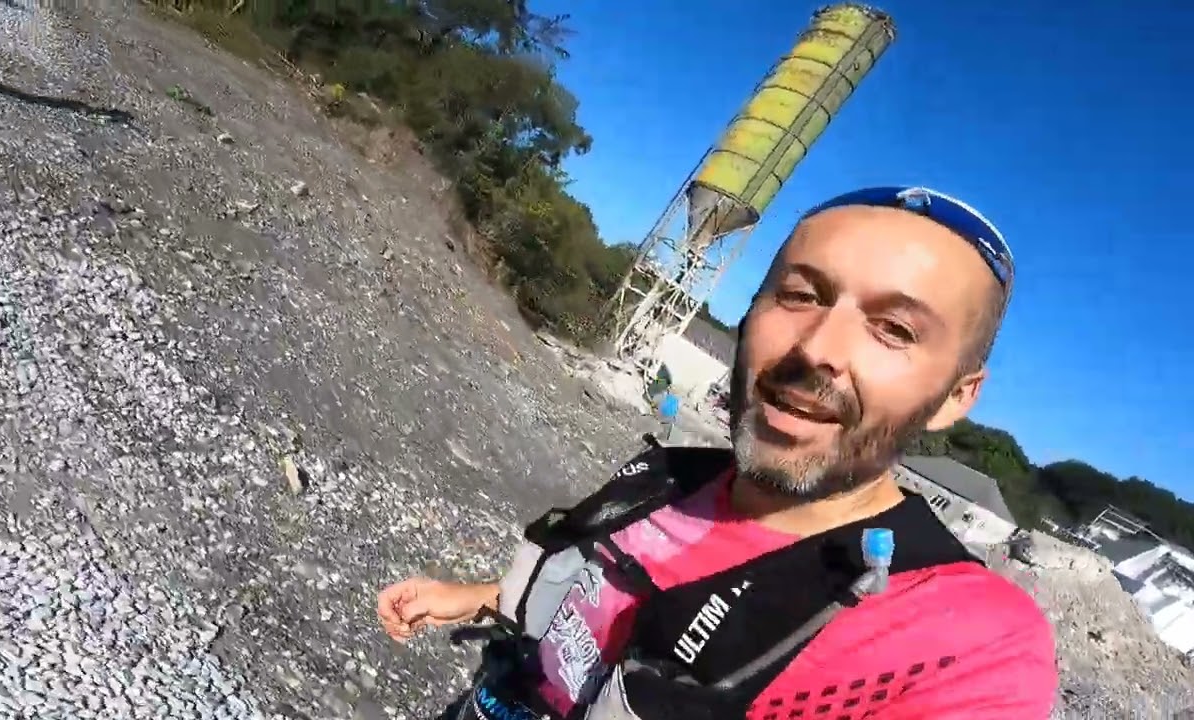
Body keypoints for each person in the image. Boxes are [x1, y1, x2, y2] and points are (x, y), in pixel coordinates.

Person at [377, 186, 1058, 719]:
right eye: (799, 295)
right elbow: (593, 603)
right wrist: (479, 598)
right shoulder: (675, 480)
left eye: (895, 329)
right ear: (750, 309)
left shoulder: (965, 640)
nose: (817, 348)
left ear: (955, 396)